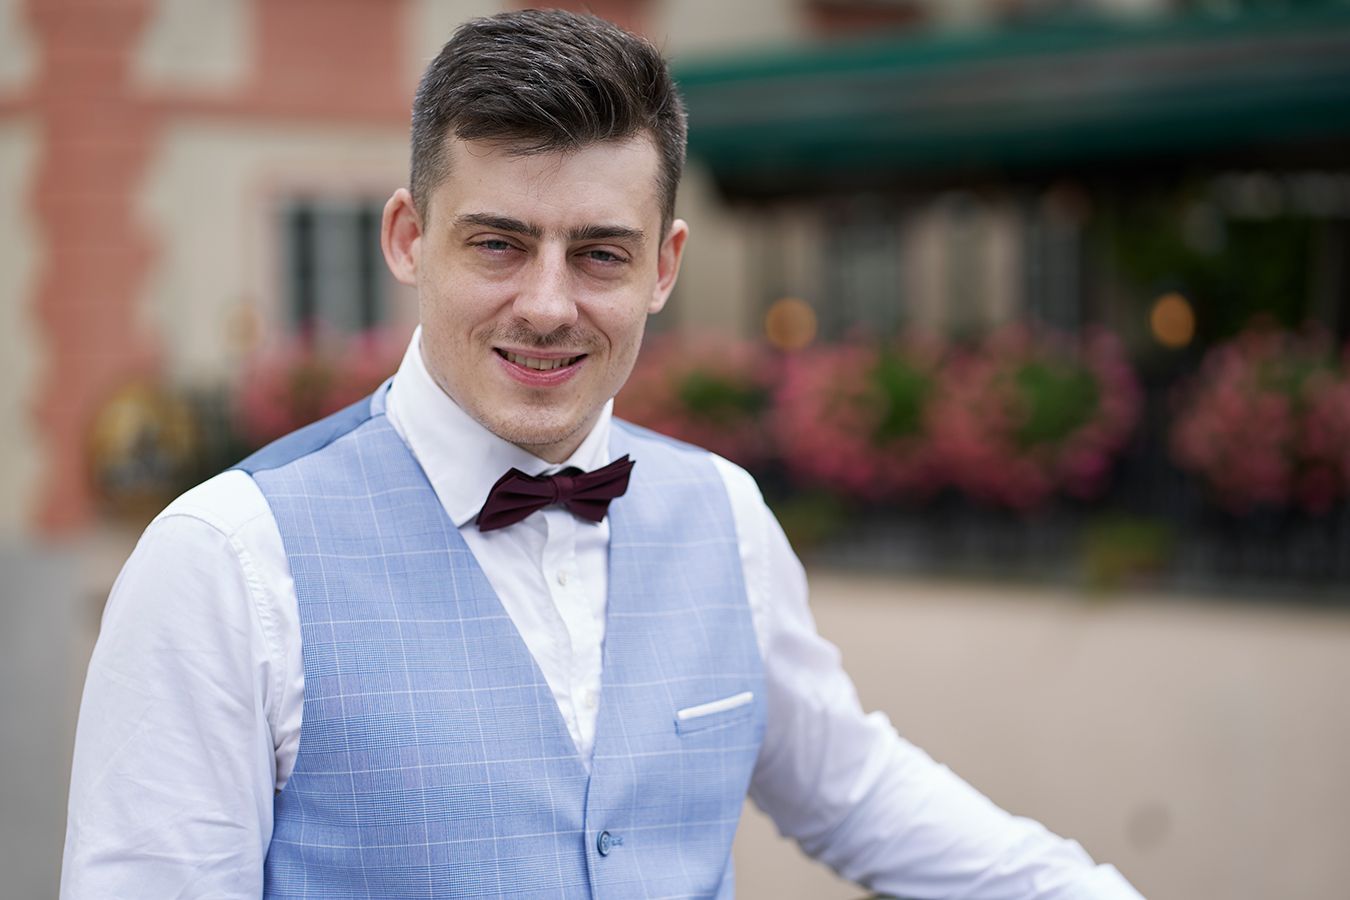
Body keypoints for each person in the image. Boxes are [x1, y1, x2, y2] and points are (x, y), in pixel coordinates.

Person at [62, 9, 1143, 899]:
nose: (547, 305)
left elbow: (855, 790)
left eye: (599, 254)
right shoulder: (222, 559)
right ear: (408, 239)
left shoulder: (725, 513)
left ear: (663, 266)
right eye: (498, 243)